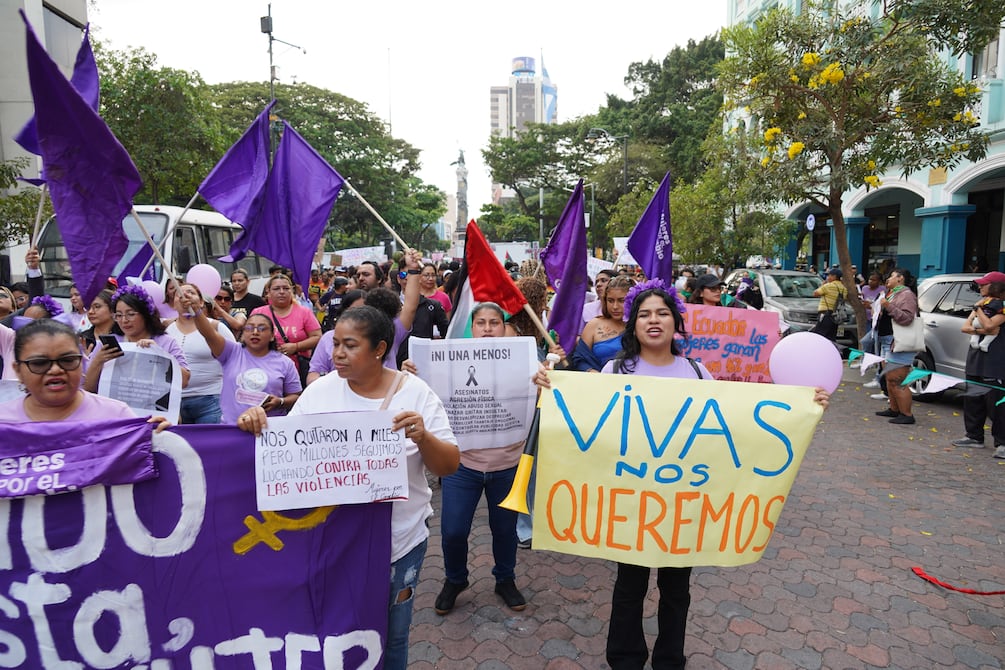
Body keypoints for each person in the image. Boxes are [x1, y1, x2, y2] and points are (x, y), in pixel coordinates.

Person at [236, 305, 458, 670]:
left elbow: (448, 465)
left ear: (379, 349)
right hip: (331, 545)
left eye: (349, 345)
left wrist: (424, 437)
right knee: (337, 631)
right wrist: (256, 424)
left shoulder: (416, 394)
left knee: (393, 634)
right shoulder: (320, 392)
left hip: (398, 544)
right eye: (335, 343)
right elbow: (284, 456)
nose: (336, 353)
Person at [429, 301, 541, 617]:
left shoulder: (527, 362)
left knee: (505, 530)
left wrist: (550, 379)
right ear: (472, 327)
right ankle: (455, 579)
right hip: (461, 465)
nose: (488, 328)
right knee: (452, 530)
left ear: (504, 327)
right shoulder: (449, 360)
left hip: (508, 465)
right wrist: (415, 371)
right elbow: (425, 390)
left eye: (495, 322)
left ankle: (504, 579)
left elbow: (547, 398)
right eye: (481, 323)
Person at [0, 319, 170, 431]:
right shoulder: (3, 422)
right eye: (39, 363)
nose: (55, 370)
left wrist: (160, 442)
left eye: (67, 360)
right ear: (18, 371)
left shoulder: (117, 415)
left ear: (82, 362)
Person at [183, 291, 301, 425]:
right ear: (243, 333)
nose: (255, 332)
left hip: (270, 433)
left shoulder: (285, 363)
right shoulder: (231, 352)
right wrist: (197, 311)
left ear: (272, 336)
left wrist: (280, 402)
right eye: (249, 328)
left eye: (262, 329)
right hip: (232, 430)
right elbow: (209, 334)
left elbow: (296, 397)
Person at [83, 284, 191, 394]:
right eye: (119, 315)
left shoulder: (166, 342)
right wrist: (98, 361)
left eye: (130, 314)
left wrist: (159, 355)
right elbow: (88, 387)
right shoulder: (107, 345)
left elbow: (184, 381)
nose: (124, 320)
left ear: (145, 314)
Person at [166, 283, 236, 424]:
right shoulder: (165, 330)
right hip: (174, 403)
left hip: (212, 400)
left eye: (190, 293)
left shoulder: (216, 327)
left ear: (202, 301)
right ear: (173, 303)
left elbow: (235, 361)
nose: (185, 297)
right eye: (179, 295)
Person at [954, 272, 1005, 456]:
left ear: (996, 287)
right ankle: (974, 436)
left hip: (996, 363)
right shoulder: (980, 305)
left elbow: (991, 326)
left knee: (997, 404)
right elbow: (965, 327)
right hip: (975, 359)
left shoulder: (999, 307)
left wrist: (980, 314)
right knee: (973, 399)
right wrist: (982, 325)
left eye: (985, 284)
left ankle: (1002, 442)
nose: (980, 287)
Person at [251, 273, 322, 387]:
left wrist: (296, 347)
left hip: (297, 372)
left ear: (292, 290)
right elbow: (248, 338)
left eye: (286, 288)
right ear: (268, 292)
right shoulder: (258, 313)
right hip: (264, 371)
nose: (282, 292)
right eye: (276, 288)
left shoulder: (304, 312)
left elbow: (317, 337)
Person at [874, 268, 919, 425]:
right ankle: (894, 409)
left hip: (899, 343)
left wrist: (888, 306)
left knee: (897, 379)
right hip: (888, 340)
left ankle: (906, 414)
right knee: (890, 378)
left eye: (892, 276)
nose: (888, 278)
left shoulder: (906, 295)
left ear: (900, 279)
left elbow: (907, 318)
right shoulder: (893, 293)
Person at [571, 276, 634, 372]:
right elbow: (580, 359)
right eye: (610, 300)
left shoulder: (641, 326)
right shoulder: (594, 325)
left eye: (622, 300)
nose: (615, 306)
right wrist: (592, 372)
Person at [811, 268, 848, 342]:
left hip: (825, 314)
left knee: (819, 336)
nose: (828, 277)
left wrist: (822, 285)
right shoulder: (844, 288)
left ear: (834, 276)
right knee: (831, 337)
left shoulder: (828, 286)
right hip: (836, 316)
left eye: (829, 275)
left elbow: (815, 293)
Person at [968, 280, 1004, 352]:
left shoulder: (985, 300)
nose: (979, 287)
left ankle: (974, 339)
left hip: (976, 321)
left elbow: (966, 327)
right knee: (994, 333)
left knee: (976, 327)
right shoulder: (1001, 303)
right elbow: (988, 326)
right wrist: (986, 332)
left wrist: (977, 308)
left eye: (984, 284)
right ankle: (984, 344)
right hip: (984, 321)